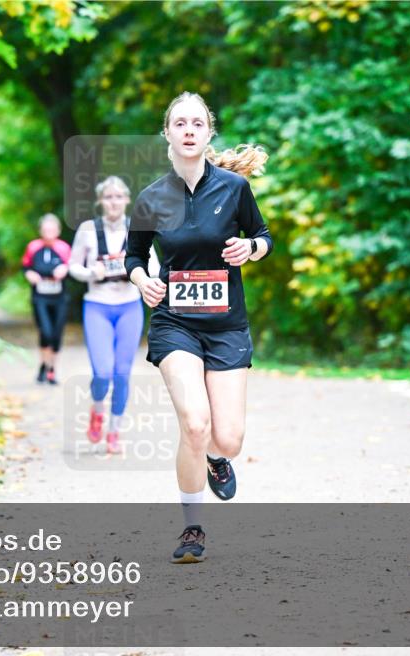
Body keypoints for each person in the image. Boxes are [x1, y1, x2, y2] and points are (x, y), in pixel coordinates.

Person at [124, 91, 272, 563]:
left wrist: (250, 250)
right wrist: (143, 279)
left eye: (197, 123)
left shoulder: (233, 188)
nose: (188, 130)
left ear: (208, 134)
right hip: (175, 324)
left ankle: (215, 457)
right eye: (179, 123)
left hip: (226, 325)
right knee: (194, 422)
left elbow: (263, 237)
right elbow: (132, 255)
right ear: (167, 133)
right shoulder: (151, 198)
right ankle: (192, 528)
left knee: (227, 438)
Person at [69, 176, 160, 454]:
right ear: (100, 201)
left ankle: (114, 431)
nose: (113, 202)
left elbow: (154, 266)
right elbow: (73, 265)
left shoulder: (137, 228)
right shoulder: (87, 229)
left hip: (129, 305)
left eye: (119, 197)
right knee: (103, 372)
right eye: (108, 197)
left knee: (122, 373)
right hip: (97, 304)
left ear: (127, 200)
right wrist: (89, 272)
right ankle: (97, 410)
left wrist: (140, 276)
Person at [22, 213, 71, 385]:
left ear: (58, 230)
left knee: (56, 333)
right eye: (45, 229)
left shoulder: (64, 248)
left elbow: (74, 267)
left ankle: (51, 369)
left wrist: (65, 269)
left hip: (59, 297)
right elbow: (25, 267)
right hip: (40, 297)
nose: (49, 232)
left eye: (52, 229)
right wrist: (30, 274)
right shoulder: (33, 247)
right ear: (41, 230)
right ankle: (44, 364)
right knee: (46, 331)